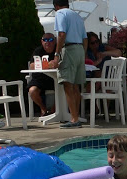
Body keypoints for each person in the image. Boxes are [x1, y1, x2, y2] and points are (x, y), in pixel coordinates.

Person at [48, 0, 88, 129]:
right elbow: (85, 38)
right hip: (80, 50)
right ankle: (76, 116)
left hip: (69, 49)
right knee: (76, 86)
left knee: (68, 84)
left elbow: (61, 34)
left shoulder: (60, 13)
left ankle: (74, 119)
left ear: (56, 6)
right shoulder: (77, 16)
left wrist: (56, 54)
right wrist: (83, 53)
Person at [27, 32, 57, 117]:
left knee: (66, 87)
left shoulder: (58, 51)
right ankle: (43, 108)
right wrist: (47, 65)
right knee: (32, 91)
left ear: (55, 41)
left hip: (55, 78)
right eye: (45, 40)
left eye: (50, 40)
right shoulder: (38, 51)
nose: (48, 42)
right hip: (40, 78)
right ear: (42, 41)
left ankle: (54, 110)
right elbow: (32, 66)